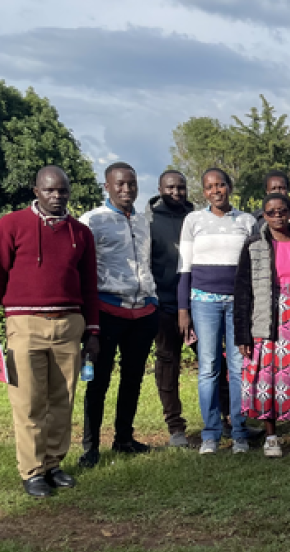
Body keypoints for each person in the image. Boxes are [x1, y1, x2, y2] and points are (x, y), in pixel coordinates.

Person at [0, 166, 99, 497]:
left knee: (62, 398)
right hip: (25, 323)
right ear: (36, 190)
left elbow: (89, 286)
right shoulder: (11, 224)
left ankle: (53, 463)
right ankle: (32, 470)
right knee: (29, 400)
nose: (57, 197)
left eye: (63, 191)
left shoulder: (80, 233)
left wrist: (93, 330)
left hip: (69, 323)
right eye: (50, 191)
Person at [78, 162, 159, 468]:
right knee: (98, 381)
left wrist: (153, 298)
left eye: (132, 184)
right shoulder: (92, 221)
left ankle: (124, 438)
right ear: (107, 187)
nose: (127, 190)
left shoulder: (142, 221)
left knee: (133, 378)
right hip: (106, 309)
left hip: (143, 310)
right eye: (120, 184)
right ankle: (90, 447)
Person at [234, 193, 290, 458]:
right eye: (271, 212)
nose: (277, 216)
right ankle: (271, 436)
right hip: (267, 318)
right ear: (263, 214)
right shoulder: (254, 245)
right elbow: (242, 291)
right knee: (267, 377)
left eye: (282, 211)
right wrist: (242, 334)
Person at [178, 168, 257, 455]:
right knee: (208, 368)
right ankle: (210, 433)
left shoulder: (247, 221)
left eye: (221, 185)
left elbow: (254, 268)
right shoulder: (193, 220)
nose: (216, 191)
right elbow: (184, 267)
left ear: (229, 187)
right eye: (210, 187)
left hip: (238, 303)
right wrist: (183, 309)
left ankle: (239, 431)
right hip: (203, 301)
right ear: (204, 191)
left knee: (238, 367)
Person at [145, 170, 194, 448]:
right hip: (164, 304)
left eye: (181, 188)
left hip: (197, 303)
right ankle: (175, 426)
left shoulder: (196, 217)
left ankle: (225, 419)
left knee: (214, 363)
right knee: (167, 364)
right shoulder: (149, 221)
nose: (176, 193)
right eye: (171, 188)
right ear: (160, 188)